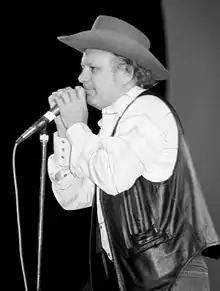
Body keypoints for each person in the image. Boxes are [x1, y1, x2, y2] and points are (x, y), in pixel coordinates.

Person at [47, 15, 220, 291]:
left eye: (93, 68)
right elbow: (74, 197)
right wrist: (66, 134)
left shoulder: (149, 112)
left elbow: (112, 176)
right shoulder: (110, 126)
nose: (81, 78)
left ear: (126, 71)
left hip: (170, 275)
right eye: (82, 68)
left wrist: (79, 126)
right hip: (130, 277)